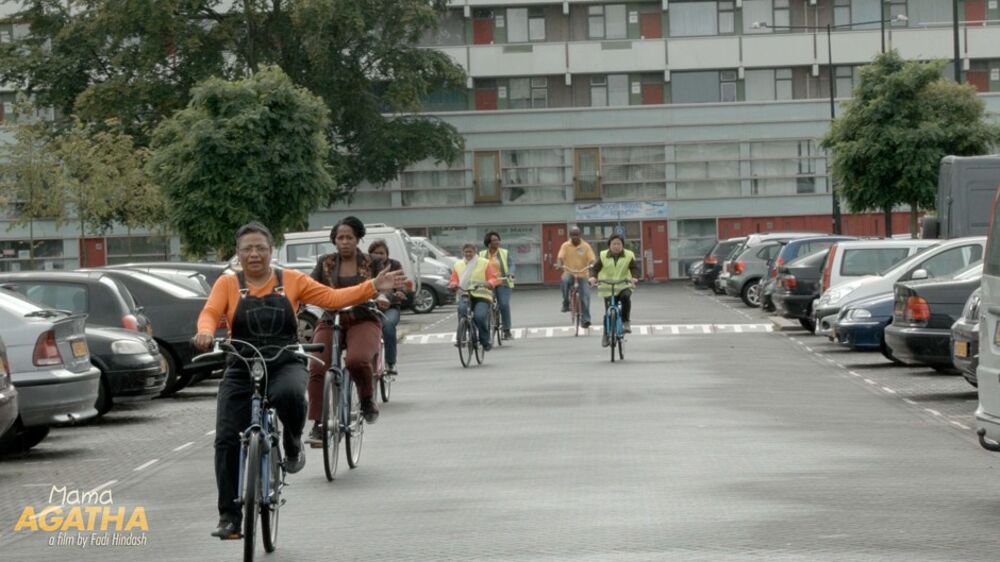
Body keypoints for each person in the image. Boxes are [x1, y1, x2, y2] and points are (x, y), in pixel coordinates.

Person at [194, 222, 405, 540]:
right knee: (225, 439)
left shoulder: (290, 280)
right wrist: (207, 332)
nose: (254, 254)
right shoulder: (227, 284)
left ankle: (292, 443)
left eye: (260, 248)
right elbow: (210, 313)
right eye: (247, 248)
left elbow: (333, 298)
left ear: (270, 251)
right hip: (241, 362)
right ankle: (229, 517)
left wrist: (373, 285)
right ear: (238, 253)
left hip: (284, 359)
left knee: (292, 395)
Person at [306, 217, 390, 446]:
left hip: (363, 319)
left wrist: (383, 297)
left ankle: (366, 399)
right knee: (316, 365)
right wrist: (299, 299)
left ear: (358, 239)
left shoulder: (372, 262)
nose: (344, 242)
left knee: (357, 360)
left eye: (349, 237)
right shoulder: (325, 262)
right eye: (340, 238)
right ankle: (318, 423)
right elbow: (309, 286)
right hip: (331, 319)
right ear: (334, 241)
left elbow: (385, 287)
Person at [589, 234, 640, 347]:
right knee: (608, 312)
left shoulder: (629, 255)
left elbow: (634, 268)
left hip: (623, 284)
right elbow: (595, 269)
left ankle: (626, 322)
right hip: (607, 286)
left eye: (619, 244)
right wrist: (593, 277)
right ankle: (606, 335)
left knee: (625, 297)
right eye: (614, 244)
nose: (616, 246)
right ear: (609, 245)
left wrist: (634, 277)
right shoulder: (603, 255)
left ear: (622, 245)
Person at [367, 239, 409, 376]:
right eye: (375, 253)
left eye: (382, 253)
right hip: (369, 306)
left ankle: (390, 363)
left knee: (388, 326)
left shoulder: (395, 265)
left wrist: (401, 291)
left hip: (391, 307)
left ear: (387, 254)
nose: (379, 256)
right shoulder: (366, 266)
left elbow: (401, 282)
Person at [450, 243, 501, 351]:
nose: (468, 254)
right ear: (462, 252)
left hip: (482, 295)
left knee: (479, 316)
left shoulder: (484, 263)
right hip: (465, 294)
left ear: (475, 252)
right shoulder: (457, 265)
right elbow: (454, 279)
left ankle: (484, 341)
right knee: (462, 310)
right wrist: (453, 284)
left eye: (470, 251)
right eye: (466, 252)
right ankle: (462, 338)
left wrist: (489, 283)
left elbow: (493, 278)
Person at [556, 226, 596, 329]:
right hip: (569, 272)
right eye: (573, 235)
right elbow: (560, 257)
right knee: (564, 280)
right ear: (570, 235)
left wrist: (591, 264)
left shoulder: (586, 246)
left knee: (585, 296)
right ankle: (565, 302)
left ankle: (586, 319)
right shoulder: (565, 245)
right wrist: (559, 264)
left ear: (580, 235)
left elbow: (592, 258)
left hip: (583, 274)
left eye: (577, 234)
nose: (575, 237)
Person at [480, 231, 515, 339]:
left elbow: (511, 264)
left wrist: (510, 273)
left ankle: (507, 330)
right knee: (485, 304)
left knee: (504, 304)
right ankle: (486, 327)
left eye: (498, 239)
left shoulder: (504, 252)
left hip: (502, 282)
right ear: (488, 243)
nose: (497, 242)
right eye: (494, 240)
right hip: (488, 283)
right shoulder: (481, 254)